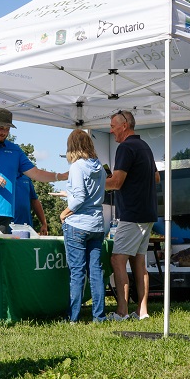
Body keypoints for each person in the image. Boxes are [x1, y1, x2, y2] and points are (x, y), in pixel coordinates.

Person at [105, 110, 159, 321]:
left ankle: (121, 312)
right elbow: (155, 178)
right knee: (139, 263)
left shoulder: (125, 147)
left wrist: (95, 183)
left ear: (124, 125)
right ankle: (142, 311)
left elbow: (116, 183)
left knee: (117, 260)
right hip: (148, 213)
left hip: (132, 214)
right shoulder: (144, 146)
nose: (111, 131)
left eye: (112, 126)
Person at [0, 107, 67, 233]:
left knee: (1, 253)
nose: (3, 132)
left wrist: (61, 176)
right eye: (0, 128)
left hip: (6, 214)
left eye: (7, 129)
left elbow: (36, 173)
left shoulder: (15, 150)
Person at [59, 129, 106, 323]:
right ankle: (99, 316)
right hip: (96, 225)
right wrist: (67, 194)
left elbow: (79, 198)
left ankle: (74, 317)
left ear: (72, 146)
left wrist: (64, 213)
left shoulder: (77, 166)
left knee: (77, 271)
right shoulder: (100, 167)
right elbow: (91, 195)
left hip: (77, 225)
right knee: (96, 271)